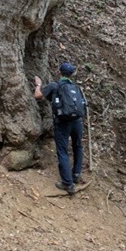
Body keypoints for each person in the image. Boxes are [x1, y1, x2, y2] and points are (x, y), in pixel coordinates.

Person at [34, 61, 85, 195]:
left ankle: (67, 183)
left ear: (59, 72)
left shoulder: (54, 85)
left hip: (62, 123)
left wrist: (38, 84)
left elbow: (37, 96)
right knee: (78, 146)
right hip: (77, 122)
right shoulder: (76, 87)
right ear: (72, 74)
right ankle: (76, 175)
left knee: (62, 151)